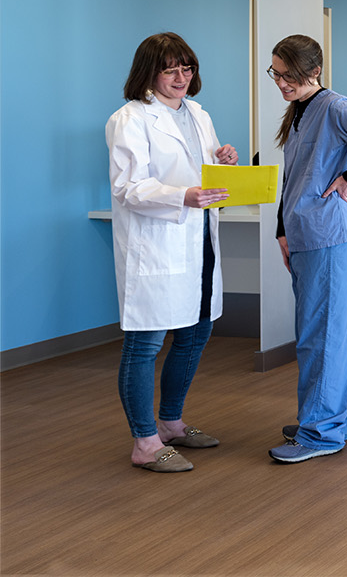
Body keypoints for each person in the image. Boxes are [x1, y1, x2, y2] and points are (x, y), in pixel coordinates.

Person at [106, 33, 238, 472]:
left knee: (196, 333)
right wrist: (183, 195)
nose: (182, 77)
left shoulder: (198, 113)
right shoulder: (130, 119)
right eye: (170, 69)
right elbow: (129, 188)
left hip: (198, 239)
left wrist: (223, 160)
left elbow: (201, 172)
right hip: (157, 244)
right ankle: (144, 443)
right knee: (144, 342)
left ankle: (171, 423)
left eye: (188, 67)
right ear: (149, 72)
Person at [267, 34, 347, 463]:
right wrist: (282, 231)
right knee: (317, 333)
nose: (282, 83)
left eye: (289, 75)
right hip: (305, 235)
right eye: (276, 74)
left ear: (315, 71)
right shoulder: (299, 112)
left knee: (323, 336)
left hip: (328, 233)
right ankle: (328, 419)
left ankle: (321, 432)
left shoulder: (335, 107)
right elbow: (292, 178)